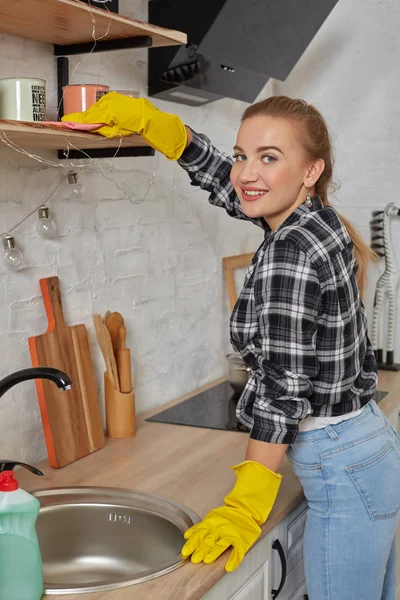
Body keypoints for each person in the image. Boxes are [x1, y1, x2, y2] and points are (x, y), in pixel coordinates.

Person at [64, 93, 400, 599]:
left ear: (311, 170)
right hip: (364, 450)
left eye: (269, 157)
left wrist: (246, 504)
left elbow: (284, 390)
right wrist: (164, 130)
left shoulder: (291, 249)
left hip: (342, 466)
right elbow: (235, 185)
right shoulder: (312, 218)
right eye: (243, 154)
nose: (247, 171)